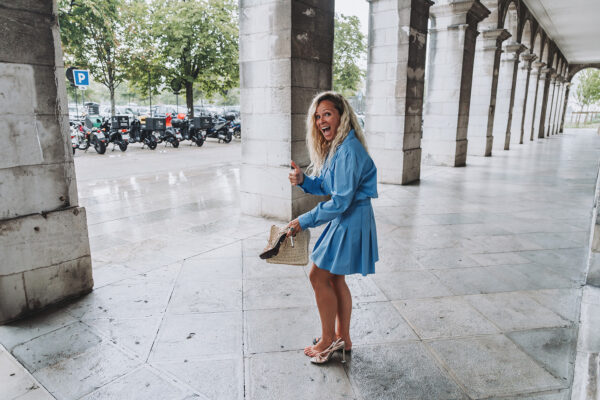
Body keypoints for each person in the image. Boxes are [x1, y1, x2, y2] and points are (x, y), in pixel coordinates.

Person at [286, 91, 378, 364]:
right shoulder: (339, 147)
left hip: (350, 217)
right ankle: (342, 338)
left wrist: (303, 220)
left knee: (318, 276)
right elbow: (326, 186)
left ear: (341, 116)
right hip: (351, 217)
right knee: (335, 278)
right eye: (317, 116)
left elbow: (339, 201)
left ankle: (328, 340)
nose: (320, 121)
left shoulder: (348, 150)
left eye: (327, 114)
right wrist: (304, 179)